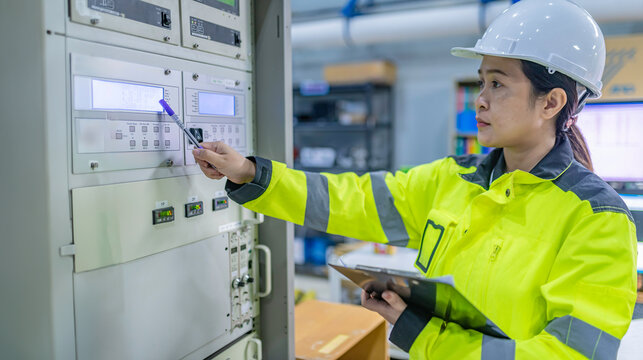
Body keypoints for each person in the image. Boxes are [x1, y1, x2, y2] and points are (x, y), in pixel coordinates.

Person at [192, 0, 637, 358]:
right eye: (481, 83)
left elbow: (570, 355)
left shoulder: (597, 219)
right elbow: (351, 199)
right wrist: (251, 174)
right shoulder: (452, 179)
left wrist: (422, 335)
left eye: (498, 85)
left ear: (551, 102)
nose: (480, 101)